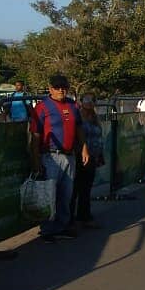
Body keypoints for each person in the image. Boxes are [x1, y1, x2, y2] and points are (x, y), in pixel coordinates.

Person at [30, 74, 90, 243]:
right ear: (50, 89)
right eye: (57, 87)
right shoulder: (42, 107)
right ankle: (47, 229)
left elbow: (79, 128)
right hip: (50, 156)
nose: (61, 90)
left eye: (64, 87)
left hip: (70, 155)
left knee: (66, 194)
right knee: (50, 195)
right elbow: (35, 135)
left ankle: (62, 226)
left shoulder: (72, 106)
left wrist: (84, 148)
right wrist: (36, 161)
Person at [72, 94, 104, 229]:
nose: (90, 103)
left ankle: (84, 215)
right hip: (80, 156)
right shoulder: (77, 117)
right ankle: (69, 218)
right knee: (75, 188)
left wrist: (100, 155)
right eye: (87, 100)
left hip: (93, 156)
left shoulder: (95, 118)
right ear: (81, 102)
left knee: (86, 188)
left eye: (93, 100)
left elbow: (99, 137)